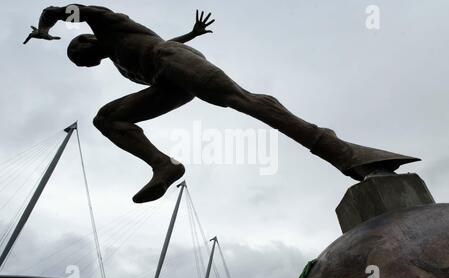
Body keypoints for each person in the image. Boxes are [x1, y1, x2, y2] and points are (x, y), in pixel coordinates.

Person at [25, 4, 418, 203]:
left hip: (172, 63)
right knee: (107, 118)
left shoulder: (107, 24)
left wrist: (44, 29)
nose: (84, 63)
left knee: (245, 102)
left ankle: (343, 152)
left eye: (81, 57)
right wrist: (190, 33)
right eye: (82, 65)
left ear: (85, 42)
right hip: (167, 80)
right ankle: (164, 165)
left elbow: (58, 9)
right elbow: (159, 43)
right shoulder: (120, 63)